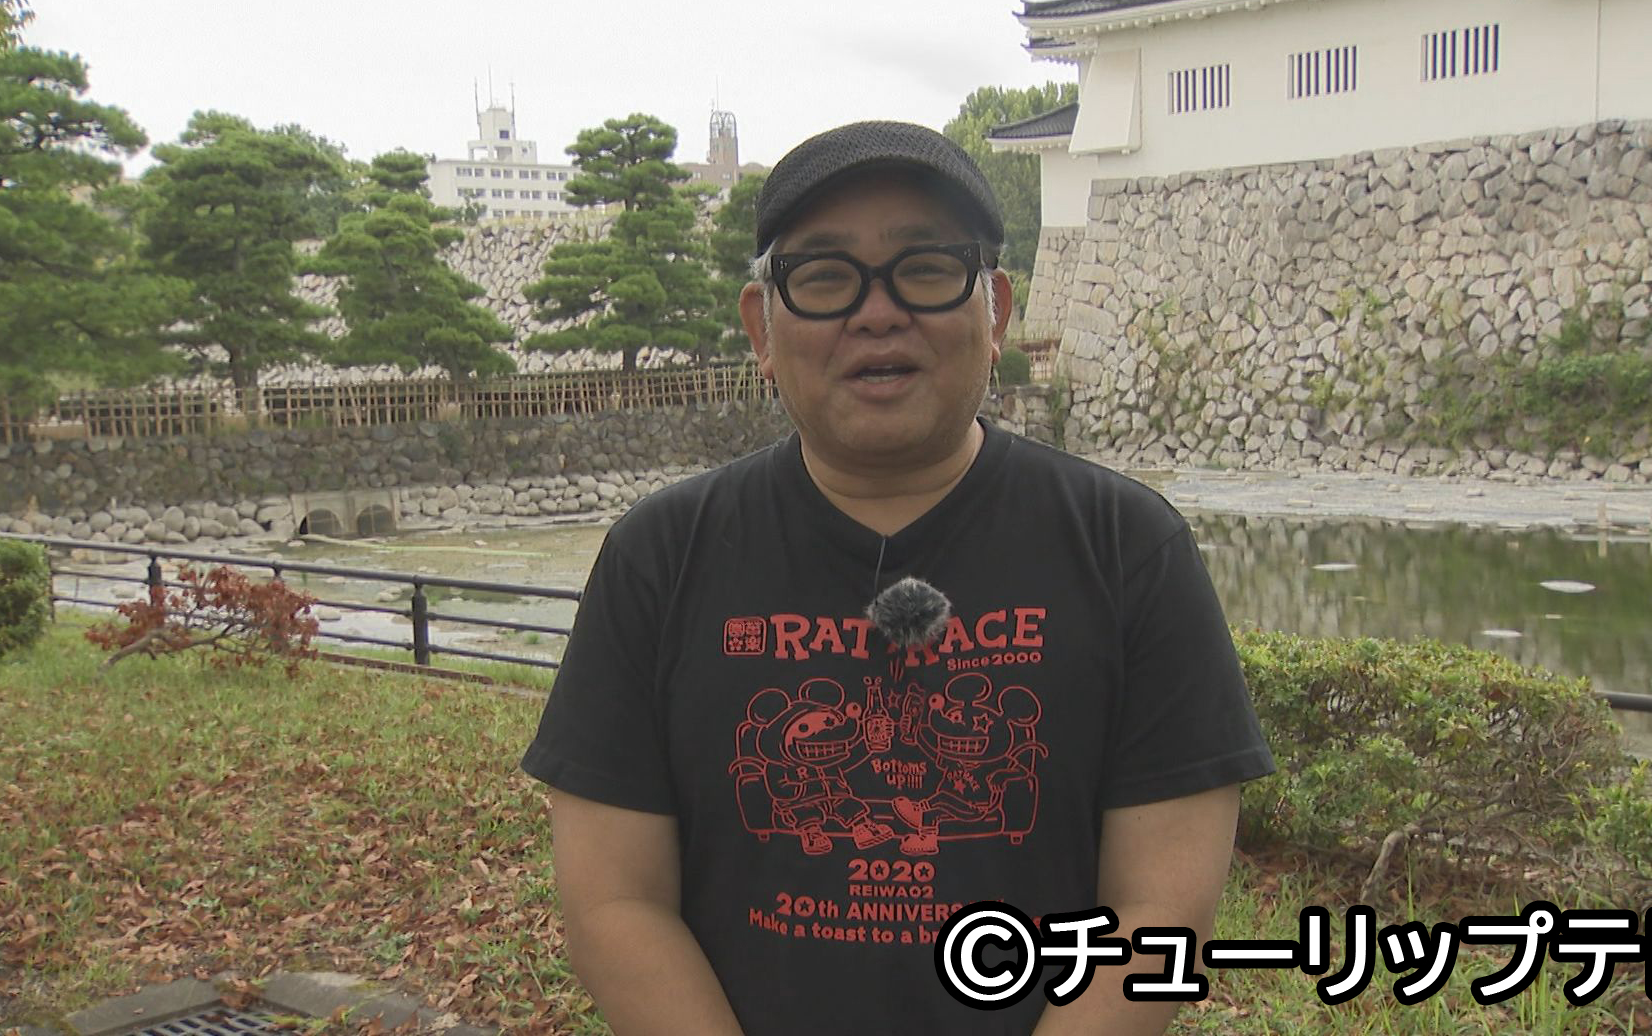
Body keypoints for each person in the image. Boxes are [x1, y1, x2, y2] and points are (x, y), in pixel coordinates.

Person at [521, 120, 1274, 1035]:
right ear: (763, 328)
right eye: (824, 276)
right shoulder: (659, 558)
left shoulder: (1128, 549)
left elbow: (1158, 916)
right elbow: (615, 902)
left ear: (996, 312)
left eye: (925, 268)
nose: (877, 313)